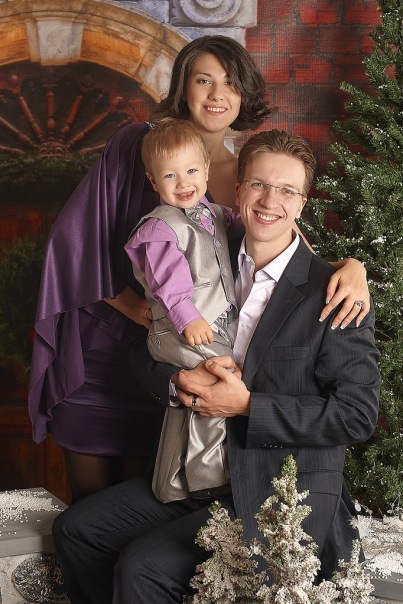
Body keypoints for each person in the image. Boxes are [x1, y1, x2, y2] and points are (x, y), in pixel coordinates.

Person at [29, 35, 370, 503]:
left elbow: (294, 256)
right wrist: (138, 309)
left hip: (177, 365)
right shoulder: (139, 144)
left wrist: (352, 267)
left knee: (143, 499)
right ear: (183, 87)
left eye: (230, 83)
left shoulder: (247, 172)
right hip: (108, 347)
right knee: (88, 505)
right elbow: (75, 245)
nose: (216, 95)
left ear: (244, 94)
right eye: (203, 80)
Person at [52, 129, 380, 604]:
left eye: (287, 190)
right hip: (191, 473)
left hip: (273, 492)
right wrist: (176, 382)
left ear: (302, 203)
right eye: (259, 184)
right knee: (77, 530)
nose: (270, 200)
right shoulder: (203, 244)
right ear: (239, 189)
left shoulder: (334, 293)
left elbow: (356, 415)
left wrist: (247, 406)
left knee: (142, 567)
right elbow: (144, 348)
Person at [125, 118, 243, 503]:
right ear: (153, 181)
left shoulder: (214, 214)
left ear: (206, 168)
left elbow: (239, 228)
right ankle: (211, 478)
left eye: (191, 171)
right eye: (170, 175)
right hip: (177, 330)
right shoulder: (161, 229)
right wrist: (187, 318)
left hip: (209, 327)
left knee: (192, 403)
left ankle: (173, 482)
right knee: (221, 381)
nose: (183, 183)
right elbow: (169, 285)